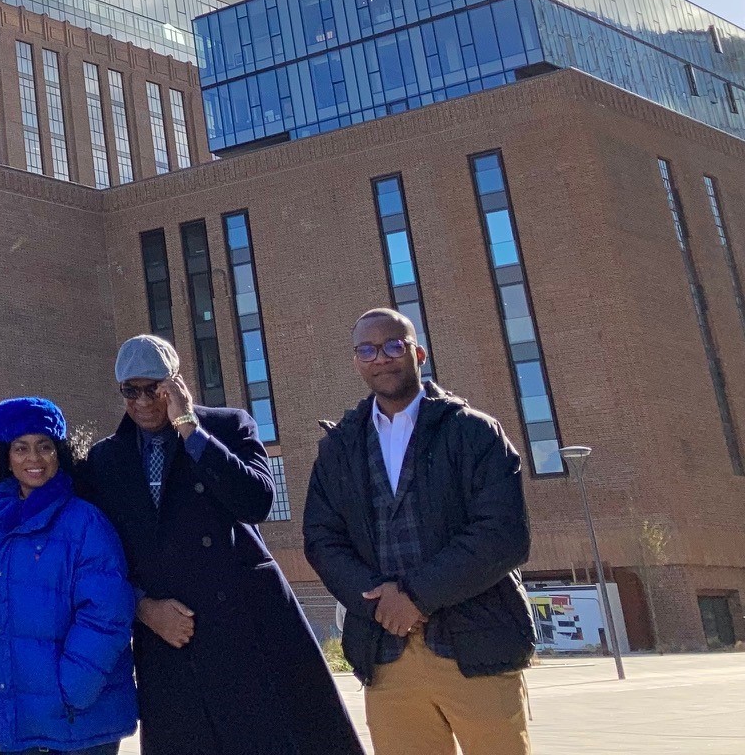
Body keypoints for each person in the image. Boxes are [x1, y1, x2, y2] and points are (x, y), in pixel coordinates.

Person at [79, 336, 361, 755]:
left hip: (246, 623)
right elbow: (101, 558)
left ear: (175, 383)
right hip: (169, 636)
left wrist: (191, 429)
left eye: (153, 388)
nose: (142, 401)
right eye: (130, 390)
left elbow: (257, 502)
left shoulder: (230, 426)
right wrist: (142, 607)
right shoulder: (106, 458)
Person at [303, 310, 534, 755]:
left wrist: (414, 596)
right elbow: (322, 540)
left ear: (418, 353)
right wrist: (378, 600)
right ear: (356, 361)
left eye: (394, 345)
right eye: (367, 350)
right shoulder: (339, 447)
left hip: (476, 648)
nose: (381, 358)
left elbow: (502, 534)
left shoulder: (472, 431)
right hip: (387, 658)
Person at [0, 396, 135, 755]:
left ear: (61, 453)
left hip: (80, 721)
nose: (34, 459)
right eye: (21, 448)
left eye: (45, 447)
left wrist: (72, 691)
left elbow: (108, 614)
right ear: (4, 457)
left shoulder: (85, 521)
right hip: (17, 719)